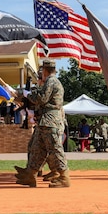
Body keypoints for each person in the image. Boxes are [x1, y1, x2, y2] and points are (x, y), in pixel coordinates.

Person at [15, 59, 70, 188]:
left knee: (55, 150)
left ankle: (64, 177)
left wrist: (28, 94)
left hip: (50, 121)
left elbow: (41, 98)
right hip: (45, 121)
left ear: (44, 70)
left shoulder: (51, 81)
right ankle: (30, 174)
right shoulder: (52, 81)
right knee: (37, 149)